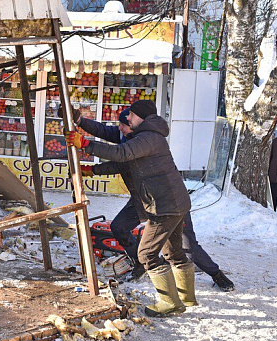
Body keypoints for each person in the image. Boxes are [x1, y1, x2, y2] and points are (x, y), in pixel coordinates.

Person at [66, 99, 195, 317]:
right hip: (172, 202)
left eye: (131, 116)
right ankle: (187, 298)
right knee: (173, 251)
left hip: (164, 205)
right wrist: (93, 168)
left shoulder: (148, 138)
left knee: (146, 254)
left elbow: (122, 154)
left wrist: (86, 144)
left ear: (141, 118)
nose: (127, 119)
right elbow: (118, 154)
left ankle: (170, 303)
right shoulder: (145, 136)